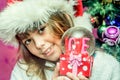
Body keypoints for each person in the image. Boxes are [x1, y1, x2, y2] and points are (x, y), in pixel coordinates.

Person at [0, 0, 119, 80]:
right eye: (28, 41)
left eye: (41, 29)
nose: (39, 44)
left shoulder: (106, 66)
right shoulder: (23, 72)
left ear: (64, 19)